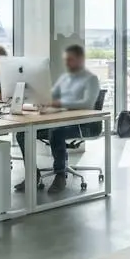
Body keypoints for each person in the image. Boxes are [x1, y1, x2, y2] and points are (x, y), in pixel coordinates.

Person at [38, 45, 101, 194]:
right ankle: (32, 174)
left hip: (84, 125)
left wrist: (60, 103)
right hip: (63, 120)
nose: (67, 63)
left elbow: (87, 104)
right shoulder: (65, 78)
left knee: (56, 132)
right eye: (66, 60)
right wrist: (40, 98)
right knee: (22, 134)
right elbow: (52, 95)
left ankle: (60, 175)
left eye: (70, 60)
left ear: (80, 60)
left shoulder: (91, 79)